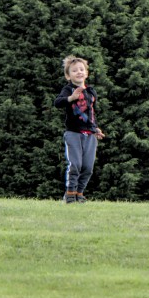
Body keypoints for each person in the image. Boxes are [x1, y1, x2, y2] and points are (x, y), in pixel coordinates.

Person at [54, 55, 106, 203]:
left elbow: (91, 113)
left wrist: (96, 128)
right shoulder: (68, 89)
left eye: (81, 69)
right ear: (68, 76)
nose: (79, 72)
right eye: (74, 70)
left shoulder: (91, 92)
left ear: (86, 73)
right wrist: (71, 98)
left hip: (90, 135)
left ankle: (79, 193)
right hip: (73, 133)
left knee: (88, 167)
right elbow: (57, 102)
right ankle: (70, 193)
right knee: (75, 165)